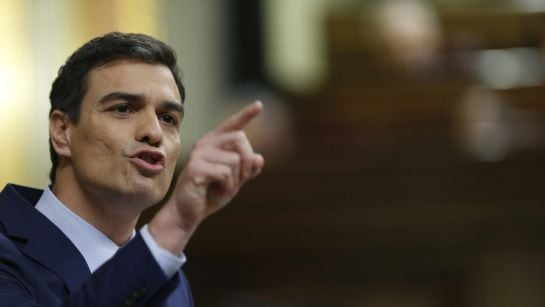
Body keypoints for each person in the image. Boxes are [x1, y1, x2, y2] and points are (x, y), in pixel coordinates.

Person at [0, 32, 264, 306]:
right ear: (62, 131)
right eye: (123, 109)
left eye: (168, 118)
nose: (154, 132)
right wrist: (174, 224)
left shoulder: (167, 277)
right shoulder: (160, 251)